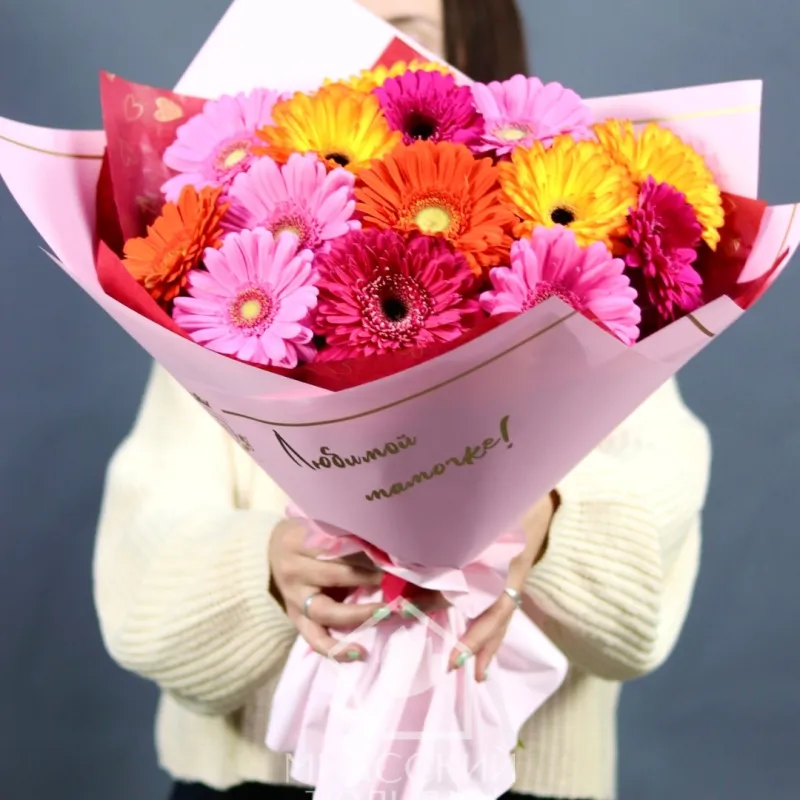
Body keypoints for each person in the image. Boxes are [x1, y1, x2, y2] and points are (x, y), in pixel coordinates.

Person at [92, 1, 712, 798]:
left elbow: (648, 588)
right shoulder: (228, 294)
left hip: (520, 782)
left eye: (404, 29)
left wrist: (547, 521)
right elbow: (139, 576)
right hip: (254, 780)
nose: (372, 45)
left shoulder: (596, 285)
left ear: (475, 33)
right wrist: (268, 570)